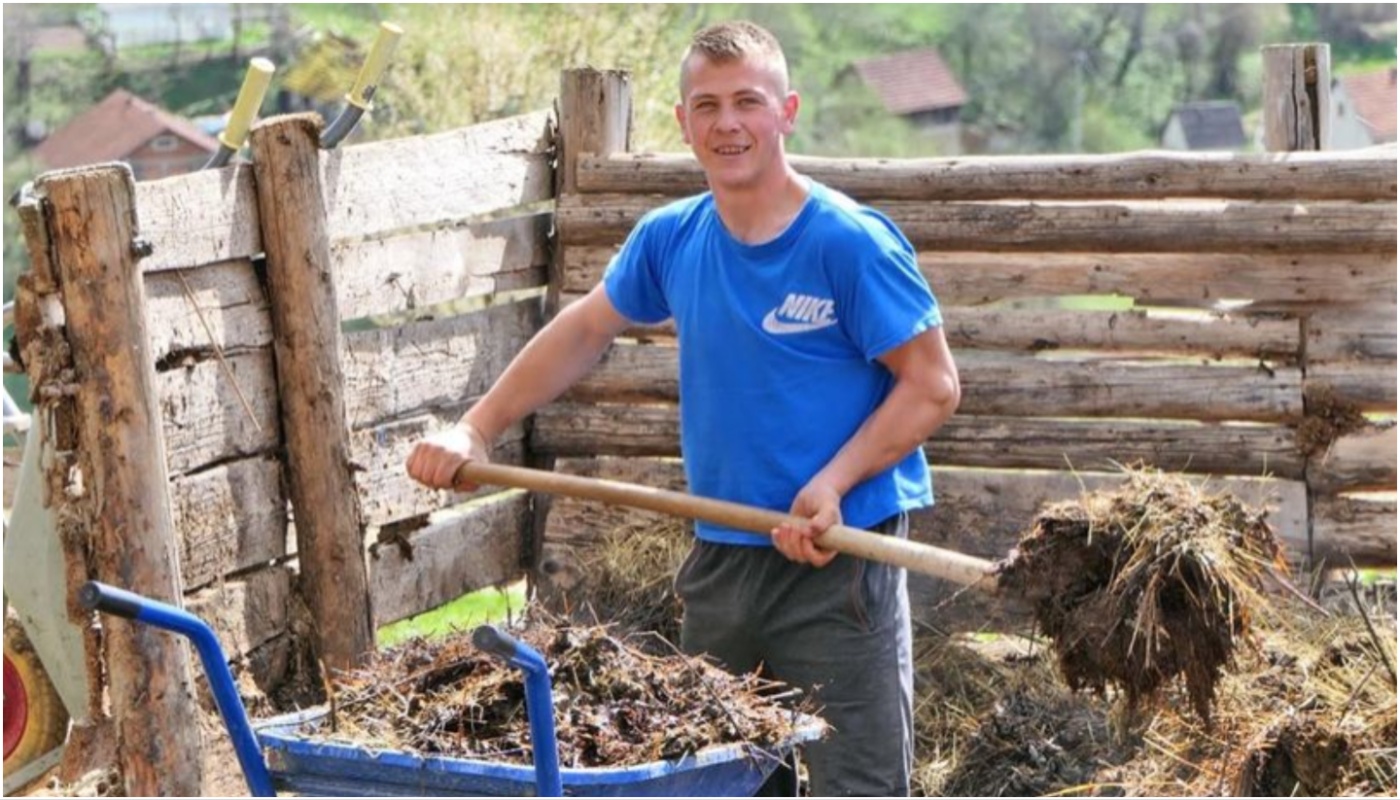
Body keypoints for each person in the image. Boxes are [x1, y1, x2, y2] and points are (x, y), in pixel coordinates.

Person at [406, 20, 960, 796]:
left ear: (787, 111)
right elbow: (585, 329)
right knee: (718, 777)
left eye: (747, 102)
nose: (727, 124)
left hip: (841, 561)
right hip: (724, 554)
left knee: (854, 784)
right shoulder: (672, 238)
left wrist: (833, 482)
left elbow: (932, 384)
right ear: (682, 123)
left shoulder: (849, 243)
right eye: (706, 106)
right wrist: (477, 426)